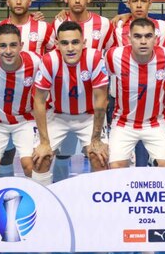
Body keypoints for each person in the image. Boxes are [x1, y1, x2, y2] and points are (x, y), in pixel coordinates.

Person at [50, 0, 114, 181]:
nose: (77, 0)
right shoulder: (58, 23)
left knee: (99, 156)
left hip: (92, 104)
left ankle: (97, 203)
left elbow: (111, 52)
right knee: (61, 154)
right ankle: (59, 195)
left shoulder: (103, 24)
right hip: (62, 104)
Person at [33, 21, 110, 178]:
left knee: (100, 159)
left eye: (75, 42)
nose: (70, 48)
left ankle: (94, 201)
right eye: (64, 43)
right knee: (40, 160)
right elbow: (39, 101)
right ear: (56, 44)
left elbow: (101, 102)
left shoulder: (94, 58)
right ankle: (44, 202)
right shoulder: (49, 60)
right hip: (57, 115)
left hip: (89, 116)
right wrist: (44, 143)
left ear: (84, 42)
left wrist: (96, 140)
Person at [0, 24, 51, 184]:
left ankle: (41, 203)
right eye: (2, 46)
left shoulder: (36, 61)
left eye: (13, 45)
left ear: (21, 46)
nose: (8, 51)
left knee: (30, 165)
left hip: (25, 121)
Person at [105, 18, 165, 168]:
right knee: (115, 167)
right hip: (123, 123)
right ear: (129, 38)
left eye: (148, 36)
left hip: (155, 122)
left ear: (155, 39)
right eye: (137, 36)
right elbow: (100, 82)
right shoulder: (114, 56)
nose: (143, 41)